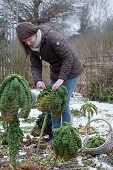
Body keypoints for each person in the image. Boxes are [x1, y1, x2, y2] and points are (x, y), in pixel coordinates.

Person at [16, 22, 83, 132]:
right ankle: (55, 132)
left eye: (29, 39)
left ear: (34, 33)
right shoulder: (32, 47)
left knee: (63, 103)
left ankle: (66, 132)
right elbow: (35, 65)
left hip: (72, 70)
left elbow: (68, 58)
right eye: (25, 42)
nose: (28, 43)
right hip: (56, 71)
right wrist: (38, 80)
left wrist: (61, 79)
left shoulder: (52, 38)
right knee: (53, 102)